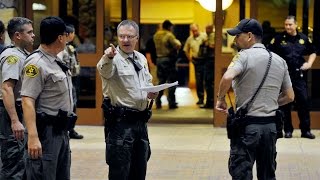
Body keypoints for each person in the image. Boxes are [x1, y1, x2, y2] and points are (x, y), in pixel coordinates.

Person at [215, 18, 294, 179]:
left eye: (238, 35)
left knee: (242, 174)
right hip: (271, 128)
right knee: (267, 175)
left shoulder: (242, 57)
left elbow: (227, 77)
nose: (235, 39)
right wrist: (271, 101)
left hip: (247, 128)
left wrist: (220, 99)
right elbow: (290, 96)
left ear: (249, 36)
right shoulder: (280, 61)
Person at [97, 19, 158, 180]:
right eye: (121, 36)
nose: (125, 40)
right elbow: (104, 70)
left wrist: (151, 92)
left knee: (140, 168)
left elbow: (147, 82)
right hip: (120, 124)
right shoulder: (112, 59)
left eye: (129, 36)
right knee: (120, 170)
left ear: (137, 38)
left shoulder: (141, 58)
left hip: (140, 123)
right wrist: (108, 57)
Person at [21, 16, 74, 179]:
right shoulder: (36, 63)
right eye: (66, 35)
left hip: (61, 130)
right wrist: (33, 136)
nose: (67, 39)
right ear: (60, 37)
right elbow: (27, 100)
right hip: (46, 133)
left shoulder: (55, 61)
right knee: (44, 174)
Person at [269, 15, 317, 139]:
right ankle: (288, 130)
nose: (288, 27)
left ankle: (305, 130)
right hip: (283, 76)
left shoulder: (303, 38)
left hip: (298, 76)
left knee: (303, 102)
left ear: (296, 25)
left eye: (290, 24)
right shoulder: (279, 39)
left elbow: (313, 51)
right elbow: (269, 53)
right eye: (286, 24)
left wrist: (309, 63)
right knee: (285, 104)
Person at [0, 17, 34, 179]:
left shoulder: (22, 54)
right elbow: (7, 89)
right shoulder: (12, 57)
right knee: (14, 164)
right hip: (12, 114)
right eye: (29, 32)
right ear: (18, 35)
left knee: (22, 161)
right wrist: (14, 120)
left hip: (20, 112)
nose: (33, 35)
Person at [59, 24, 84, 139]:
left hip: (74, 78)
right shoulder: (62, 49)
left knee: (73, 104)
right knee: (69, 105)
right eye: (73, 33)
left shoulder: (70, 47)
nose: (74, 36)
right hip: (68, 79)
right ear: (69, 34)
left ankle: (71, 129)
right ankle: (67, 129)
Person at [153, 20, 181, 109]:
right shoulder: (169, 35)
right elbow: (177, 45)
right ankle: (171, 103)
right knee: (171, 81)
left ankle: (158, 102)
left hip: (159, 59)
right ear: (169, 27)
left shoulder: (156, 35)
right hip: (168, 60)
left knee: (161, 81)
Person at [183, 24, 208, 106]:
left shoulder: (204, 36)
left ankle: (209, 100)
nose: (195, 32)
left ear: (198, 29)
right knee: (199, 81)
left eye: (196, 30)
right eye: (193, 31)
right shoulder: (190, 39)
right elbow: (186, 50)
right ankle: (200, 99)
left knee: (207, 80)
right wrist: (190, 60)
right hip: (196, 61)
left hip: (205, 60)